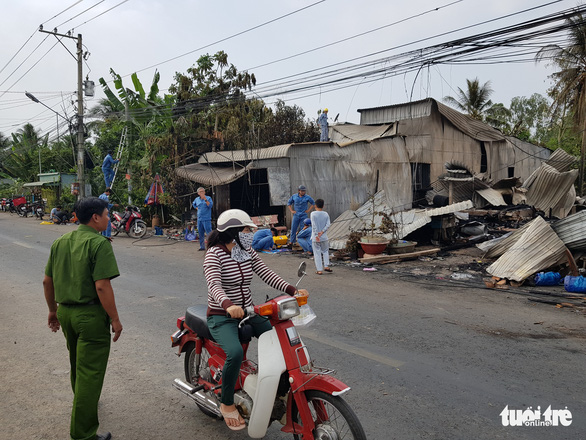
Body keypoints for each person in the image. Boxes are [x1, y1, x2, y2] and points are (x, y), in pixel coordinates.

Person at [203, 209, 308, 431]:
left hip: (249, 312)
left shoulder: (246, 250)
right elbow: (214, 285)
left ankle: (276, 391)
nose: (251, 232)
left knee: (280, 340)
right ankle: (227, 403)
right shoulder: (214, 254)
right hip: (222, 316)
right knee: (235, 352)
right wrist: (228, 305)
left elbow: (266, 273)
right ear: (233, 232)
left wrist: (291, 290)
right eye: (247, 229)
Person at [43, 196, 123, 440]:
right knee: (90, 371)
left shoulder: (60, 242)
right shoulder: (99, 244)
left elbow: (48, 281)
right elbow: (102, 286)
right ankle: (83, 434)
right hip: (90, 316)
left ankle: (84, 404)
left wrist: (52, 311)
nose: (109, 219)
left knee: (78, 363)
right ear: (96, 217)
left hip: (66, 312)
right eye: (107, 214)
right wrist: (115, 319)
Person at [310, 198, 332, 275]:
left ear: (315, 205)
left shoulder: (313, 214)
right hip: (324, 236)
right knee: (325, 251)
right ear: (323, 206)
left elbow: (314, 225)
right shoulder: (326, 214)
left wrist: (316, 235)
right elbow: (328, 225)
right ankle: (326, 266)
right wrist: (322, 232)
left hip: (316, 237)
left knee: (317, 253)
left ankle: (319, 269)